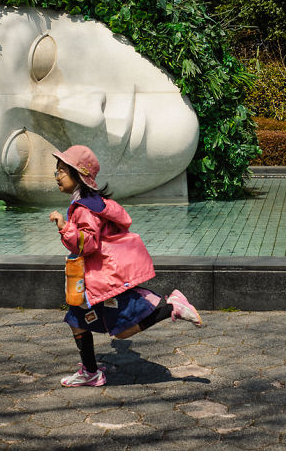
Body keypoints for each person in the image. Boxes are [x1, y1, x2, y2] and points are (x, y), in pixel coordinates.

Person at [48, 144, 203, 387]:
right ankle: (90, 371)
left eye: (60, 171)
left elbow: (86, 244)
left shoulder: (84, 209)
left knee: (114, 328)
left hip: (100, 279)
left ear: (78, 174)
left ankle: (171, 306)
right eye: (56, 171)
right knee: (79, 320)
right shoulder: (87, 203)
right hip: (96, 278)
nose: (56, 176)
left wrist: (63, 226)